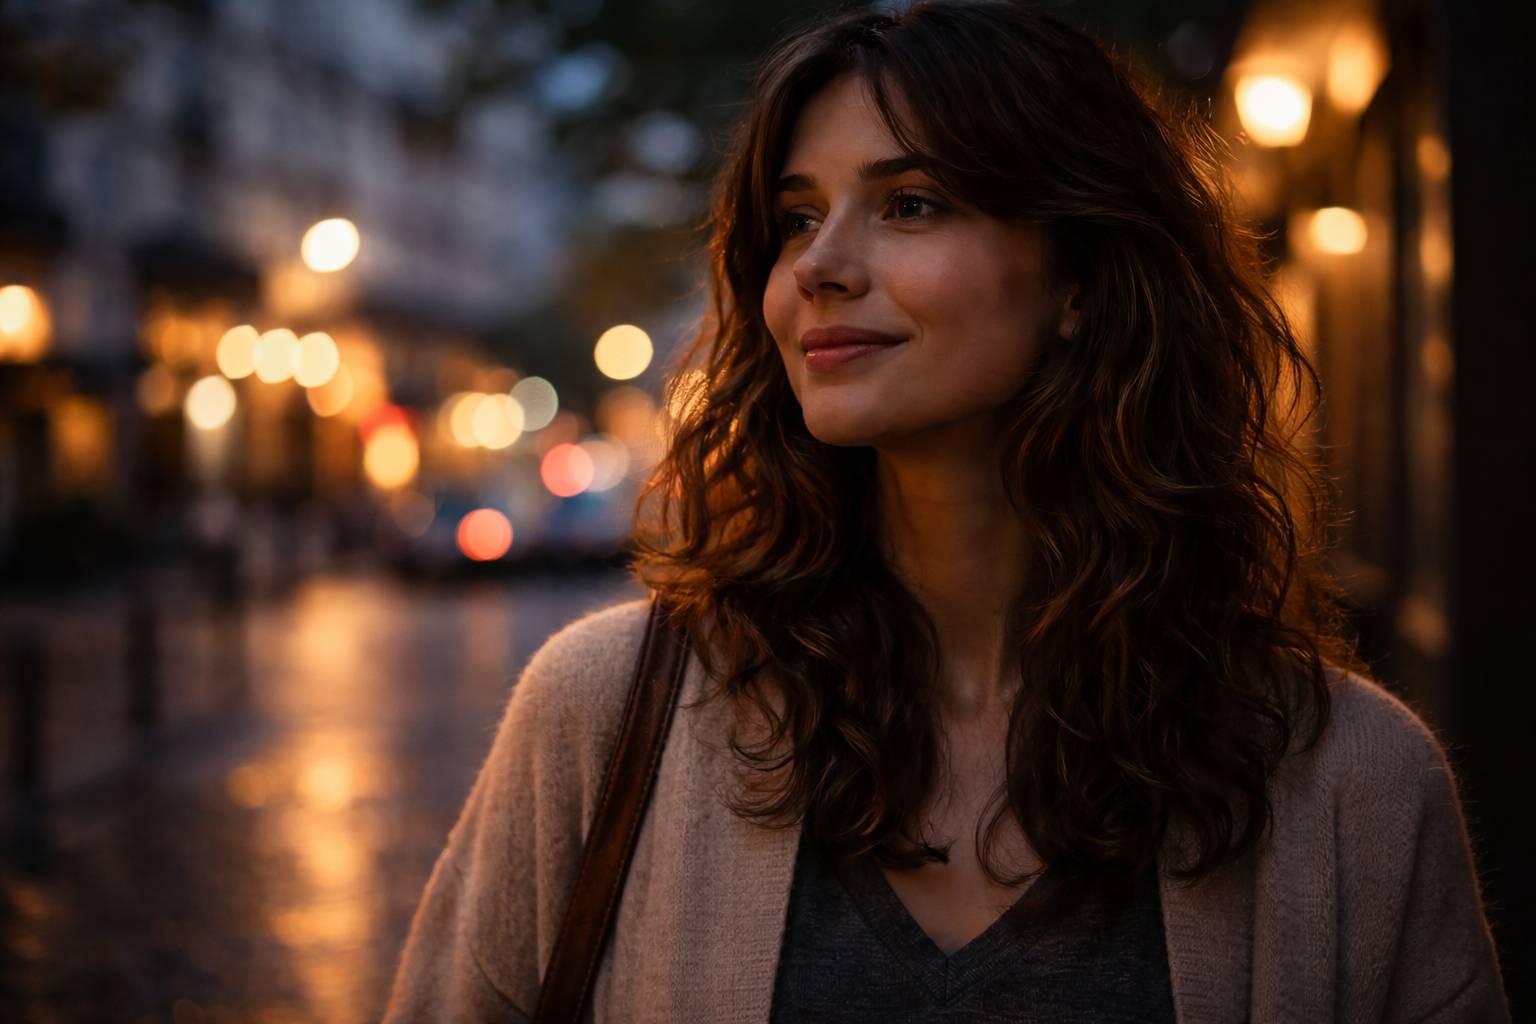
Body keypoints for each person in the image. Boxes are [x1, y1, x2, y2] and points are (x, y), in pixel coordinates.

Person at [385, 3, 1506, 1020]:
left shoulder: (1350, 780)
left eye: (911, 204)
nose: (820, 266)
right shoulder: (604, 716)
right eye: (795, 218)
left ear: (1080, 277)